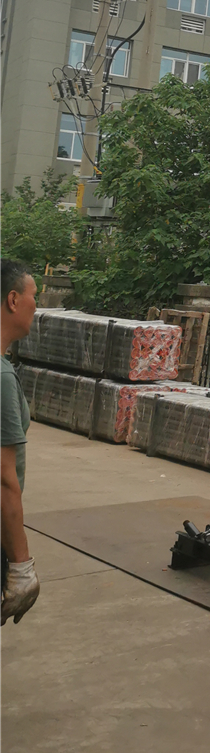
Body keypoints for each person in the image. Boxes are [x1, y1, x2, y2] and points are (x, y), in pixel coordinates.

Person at [1, 257, 39, 625]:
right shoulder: (1, 378)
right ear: (13, 300)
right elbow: (2, 479)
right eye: (33, 296)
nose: (36, 306)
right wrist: (21, 565)